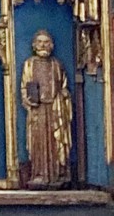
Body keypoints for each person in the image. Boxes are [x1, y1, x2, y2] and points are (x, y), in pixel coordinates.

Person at [21, 31, 72, 187]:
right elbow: (24, 87)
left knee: (56, 143)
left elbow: (63, 86)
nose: (43, 45)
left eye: (46, 42)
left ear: (51, 45)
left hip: (55, 110)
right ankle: (39, 174)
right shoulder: (29, 64)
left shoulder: (57, 64)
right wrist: (29, 100)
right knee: (38, 144)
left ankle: (57, 174)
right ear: (34, 45)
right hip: (38, 111)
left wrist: (64, 95)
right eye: (40, 42)